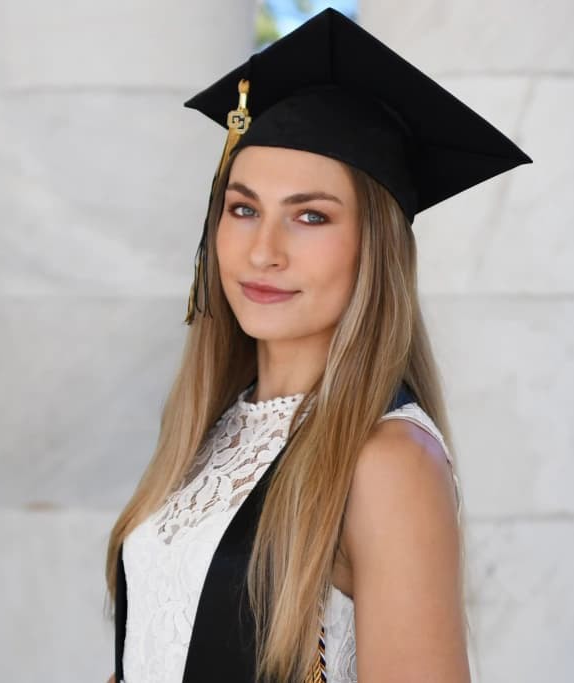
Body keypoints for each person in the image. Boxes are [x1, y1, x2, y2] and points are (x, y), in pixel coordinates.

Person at [104, 7, 531, 683]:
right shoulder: (214, 428)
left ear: (374, 248)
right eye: (242, 208)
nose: (262, 251)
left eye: (309, 215)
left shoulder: (385, 460)